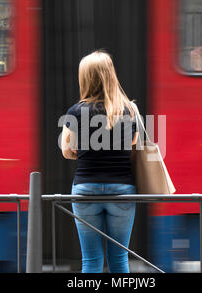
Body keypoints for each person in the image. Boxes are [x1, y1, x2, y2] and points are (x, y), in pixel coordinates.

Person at [60, 50, 139, 273]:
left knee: (91, 260)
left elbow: (66, 151)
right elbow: (133, 144)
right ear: (111, 75)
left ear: (84, 78)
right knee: (120, 259)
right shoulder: (128, 110)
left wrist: (84, 151)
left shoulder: (75, 111)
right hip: (122, 190)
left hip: (85, 190)